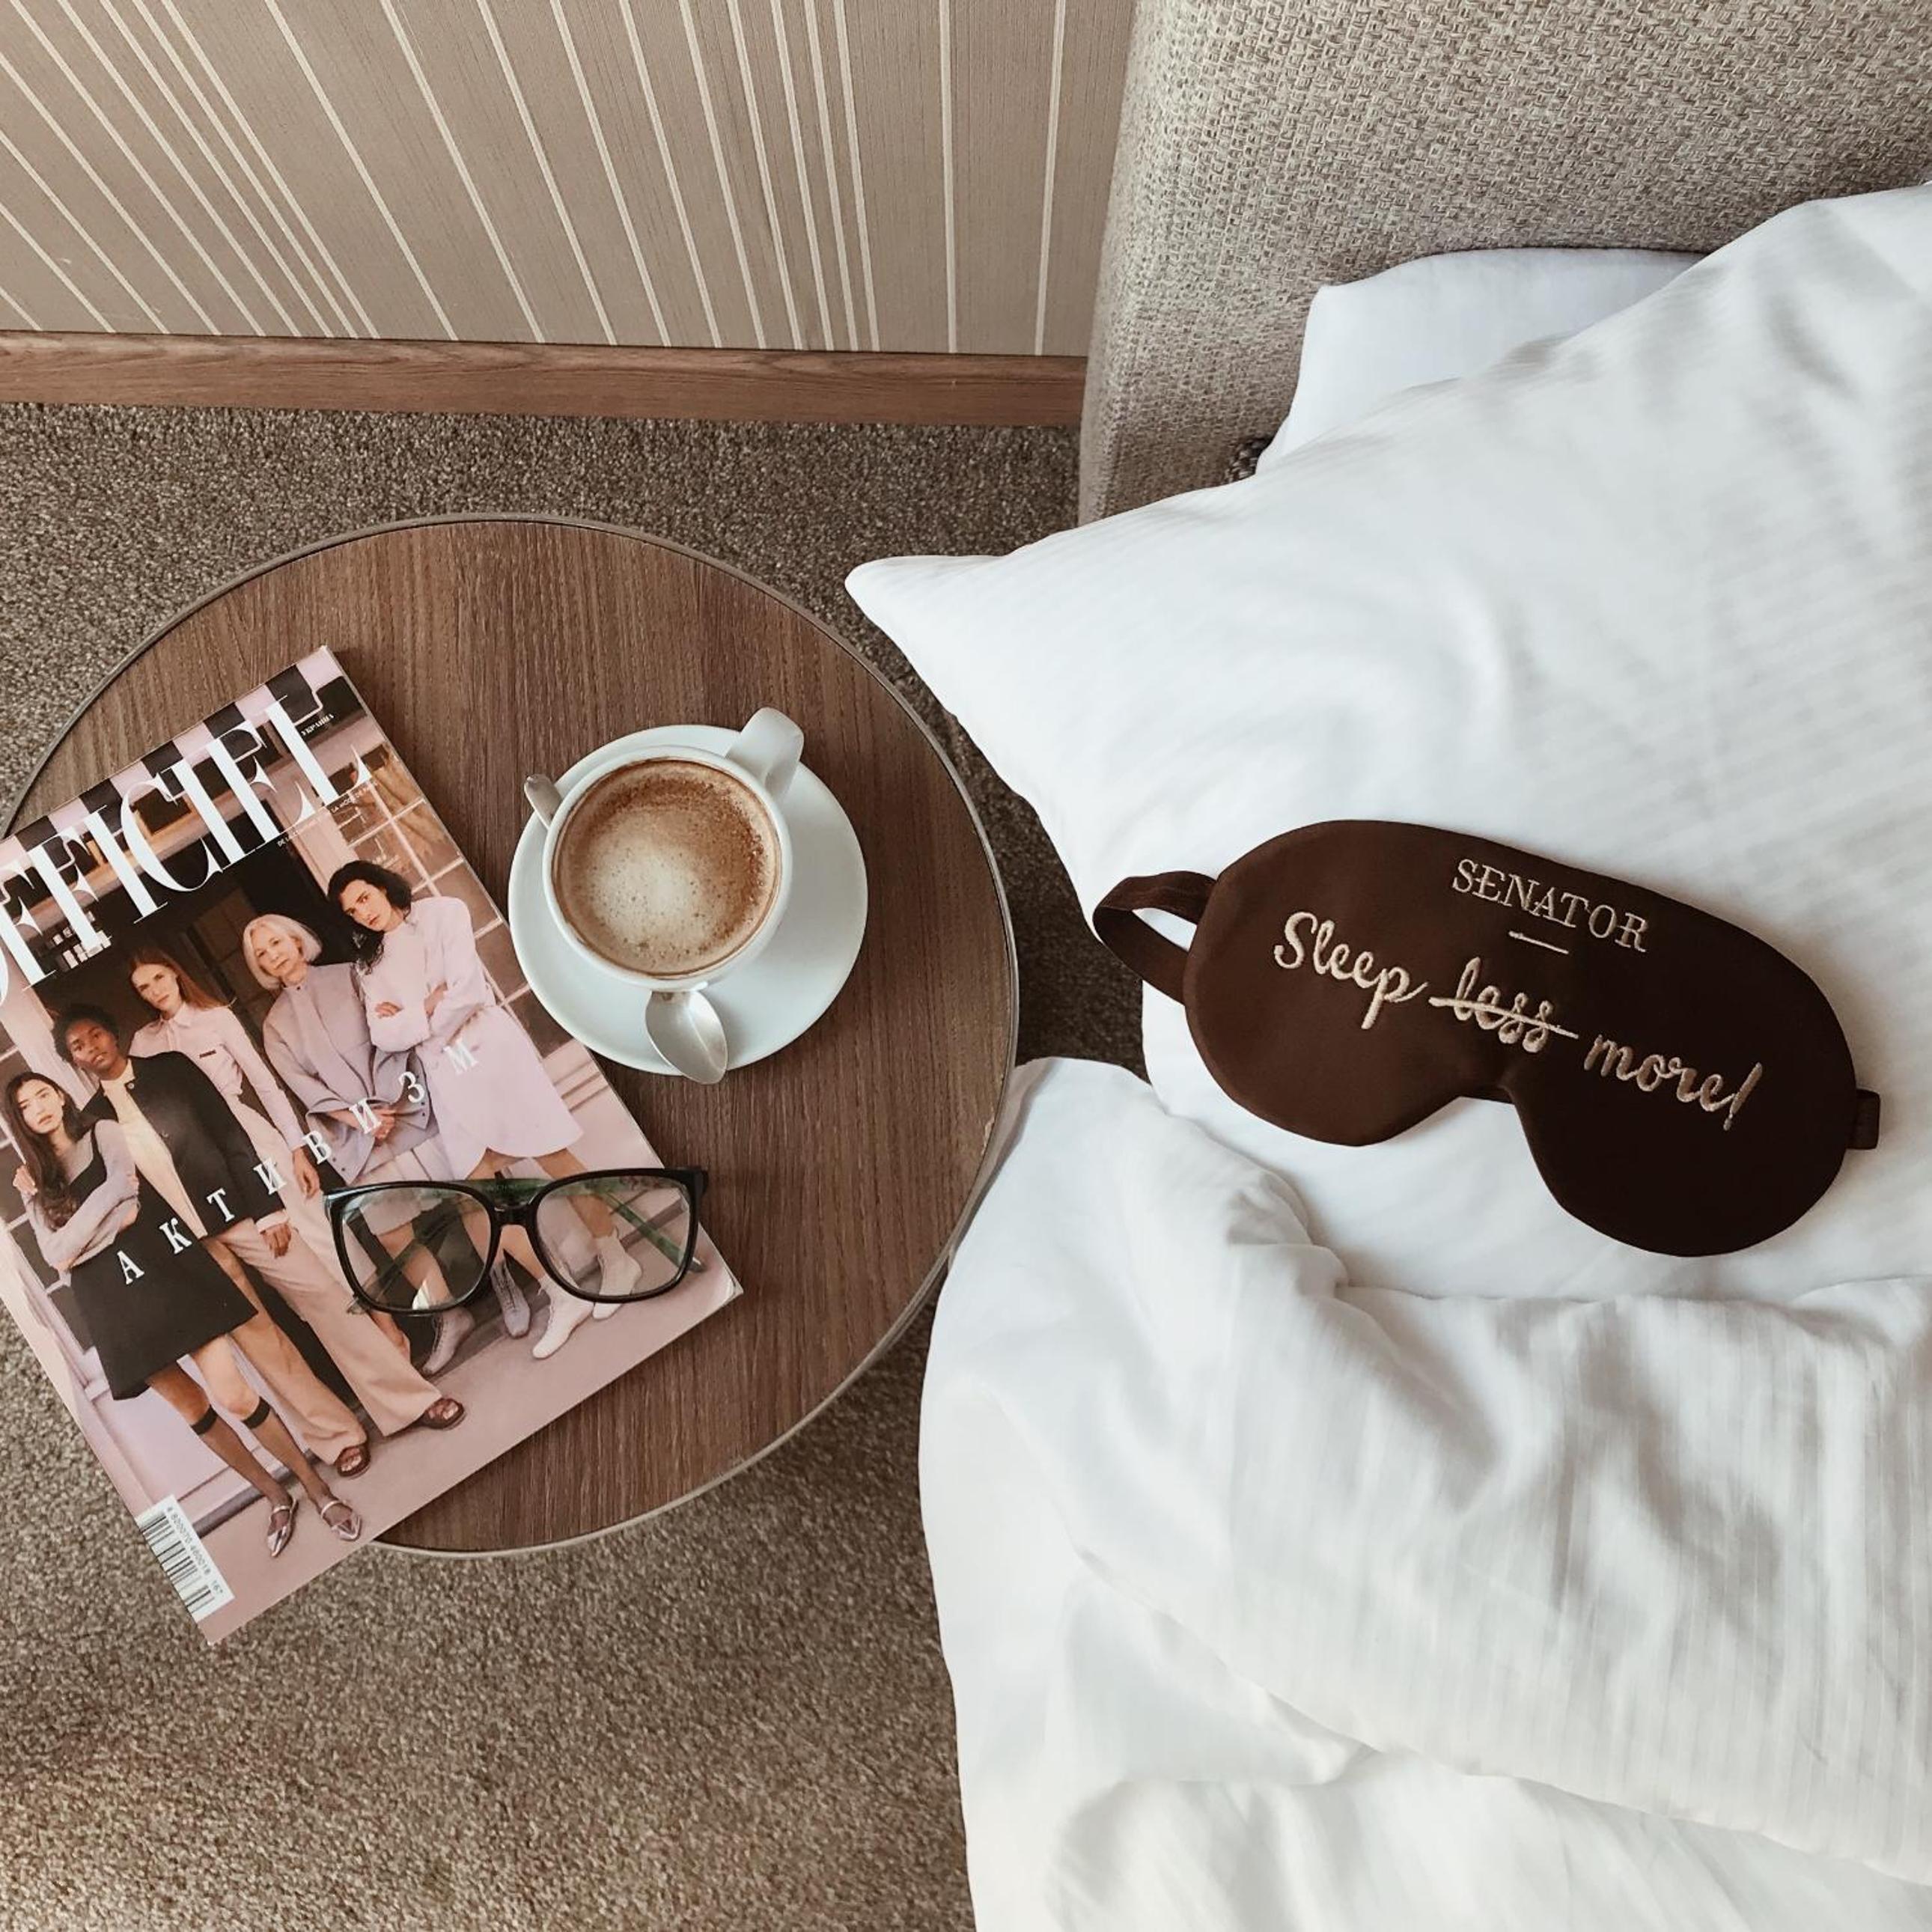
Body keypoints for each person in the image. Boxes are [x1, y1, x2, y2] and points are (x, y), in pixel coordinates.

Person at [56, 1004, 466, 1475]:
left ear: (112, 1032)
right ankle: (336, 1438)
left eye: (95, 1034)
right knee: (262, 1344)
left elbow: (230, 1134)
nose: (91, 1048)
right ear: (73, 1061)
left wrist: (268, 1207)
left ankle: (409, 1403)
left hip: (243, 1213)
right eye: (78, 1046)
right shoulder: (92, 1122)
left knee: (328, 1300)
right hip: (188, 1248)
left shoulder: (170, 1069)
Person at [5, 1072, 359, 1554]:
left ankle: (317, 1489)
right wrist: (103, 1222)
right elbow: (54, 1253)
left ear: (61, 1095)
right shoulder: (34, 1182)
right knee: (193, 1408)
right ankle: (276, 1497)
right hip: (111, 1303)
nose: (39, 1107)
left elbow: (126, 1194)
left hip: (165, 1274)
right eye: (26, 1106)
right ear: (20, 1120)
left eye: (43, 1094)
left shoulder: (102, 1132)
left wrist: (81, 1240)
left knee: (234, 1396)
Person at [329, 862, 642, 1359]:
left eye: (364, 898)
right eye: (351, 911)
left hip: (488, 1050)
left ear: (382, 887)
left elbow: (468, 992)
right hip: (444, 1074)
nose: (362, 913)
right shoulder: (369, 967)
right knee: (479, 1193)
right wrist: (426, 1007)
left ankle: (617, 1256)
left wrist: (413, 1019)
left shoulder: (444, 913)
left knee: (552, 1155)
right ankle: (562, 1296)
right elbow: (383, 1036)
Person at [242, 913, 526, 1374]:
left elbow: (388, 1032)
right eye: (261, 954)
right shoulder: (274, 1026)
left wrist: (388, 1101)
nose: (273, 955)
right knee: (392, 1232)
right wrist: (359, 1117)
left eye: (276, 942)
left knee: (470, 1198)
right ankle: (449, 1315)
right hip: (357, 1136)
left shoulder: (353, 976)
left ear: (296, 940)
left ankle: (506, 1283)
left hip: (407, 1106)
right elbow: (302, 1086)